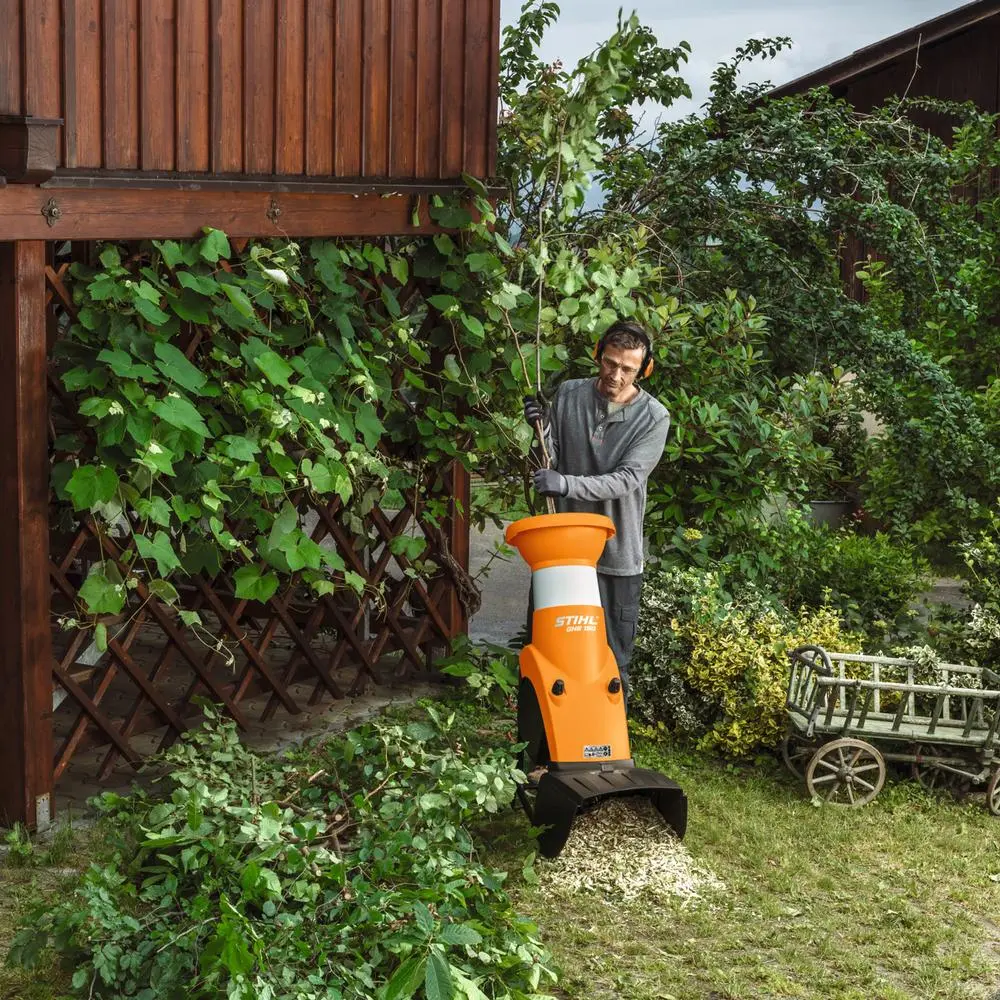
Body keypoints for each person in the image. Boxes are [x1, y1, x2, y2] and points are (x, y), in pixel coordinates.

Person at [523, 320, 670, 706]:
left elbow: (626, 480)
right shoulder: (569, 394)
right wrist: (539, 428)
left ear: (645, 370)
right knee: (548, 657)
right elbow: (546, 462)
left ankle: (605, 739)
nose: (616, 376)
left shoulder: (654, 418)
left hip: (615, 559)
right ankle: (542, 742)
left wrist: (566, 485)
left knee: (611, 666)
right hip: (562, 553)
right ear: (598, 355)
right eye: (610, 363)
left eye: (628, 369)